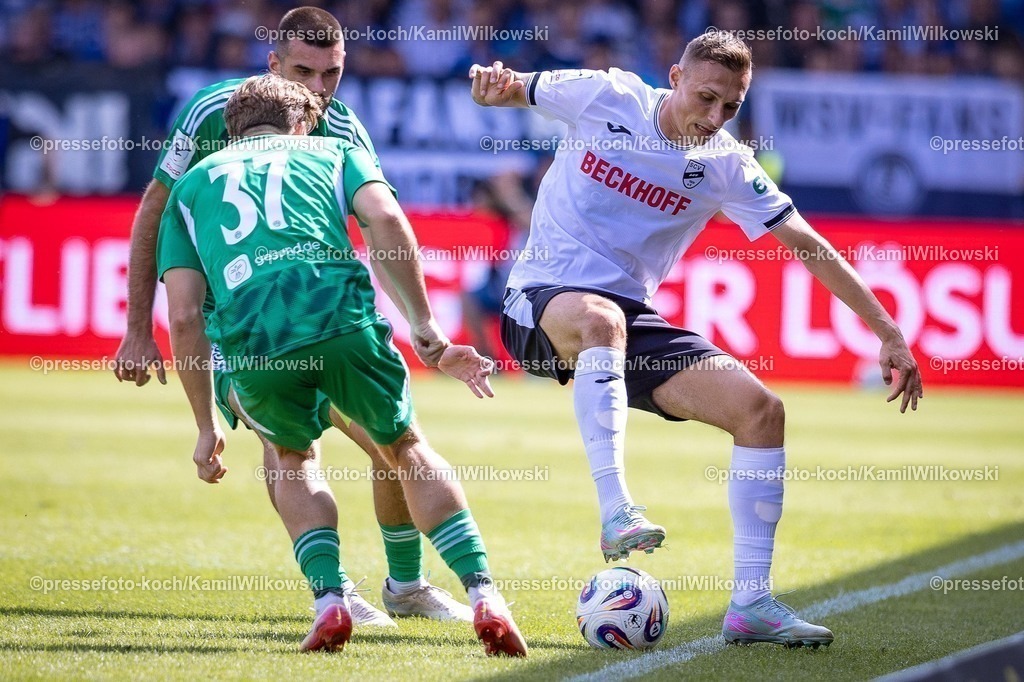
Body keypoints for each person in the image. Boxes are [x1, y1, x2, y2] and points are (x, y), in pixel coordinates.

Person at [469, 31, 923, 648]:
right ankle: (616, 511)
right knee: (602, 320)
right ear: (675, 76)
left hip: (628, 318)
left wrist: (888, 330)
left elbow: (808, 246)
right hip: (539, 297)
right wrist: (494, 89)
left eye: (730, 108)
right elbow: (512, 88)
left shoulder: (727, 164)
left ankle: (752, 604)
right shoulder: (609, 95)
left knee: (761, 412)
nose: (714, 118)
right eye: (706, 98)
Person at [113, 6, 470, 624]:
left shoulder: (343, 129)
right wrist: (136, 328)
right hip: (239, 325)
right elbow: (157, 209)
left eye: (331, 74)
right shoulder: (213, 112)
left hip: (322, 312)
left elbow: (381, 228)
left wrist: (417, 319)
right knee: (291, 453)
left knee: (394, 442)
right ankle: (334, 592)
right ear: (272, 64)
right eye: (302, 71)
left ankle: (405, 587)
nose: (317, 90)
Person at [156, 73, 527, 656]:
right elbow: (386, 221)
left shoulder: (191, 187)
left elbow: (182, 317)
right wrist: (425, 326)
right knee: (403, 446)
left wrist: (205, 426)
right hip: (341, 321)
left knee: (292, 457)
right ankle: (484, 594)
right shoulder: (334, 150)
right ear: (301, 121)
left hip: (255, 344)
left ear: (230, 132)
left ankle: (330, 599)